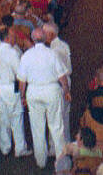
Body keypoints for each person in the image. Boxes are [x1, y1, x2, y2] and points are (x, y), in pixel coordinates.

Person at [19, 27, 68, 168]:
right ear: (45, 38)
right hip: (52, 90)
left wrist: (22, 97)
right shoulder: (52, 54)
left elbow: (22, 81)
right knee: (56, 127)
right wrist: (66, 90)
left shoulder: (26, 56)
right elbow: (62, 77)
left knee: (37, 127)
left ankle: (41, 161)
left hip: (33, 92)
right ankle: (61, 161)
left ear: (32, 40)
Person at [0, 27, 29, 159]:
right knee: (17, 117)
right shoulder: (13, 53)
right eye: (13, 36)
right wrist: (23, 94)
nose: (15, 38)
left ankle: (5, 147)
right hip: (10, 87)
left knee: (3, 117)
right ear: (7, 38)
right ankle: (20, 148)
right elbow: (20, 73)